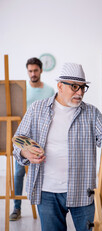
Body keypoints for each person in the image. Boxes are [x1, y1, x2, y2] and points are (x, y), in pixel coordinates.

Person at [12, 62, 102, 231]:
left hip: (82, 191)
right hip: (47, 192)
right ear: (60, 86)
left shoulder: (92, 113)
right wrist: (25, 153)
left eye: (83, 87)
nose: (80, 92)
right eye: (74, 87)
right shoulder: (37, 109)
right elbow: (18, 141)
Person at [9, 57, 55, 221]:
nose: (33, 73)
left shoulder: (50, 91)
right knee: (19, 171)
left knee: (46, 171)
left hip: (44, 138)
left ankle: (47, 208)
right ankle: (16, 207)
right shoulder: (22, 90)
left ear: (41, 71)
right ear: (27, 71)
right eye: (30, 71)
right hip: (25, 139)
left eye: (35, 70)